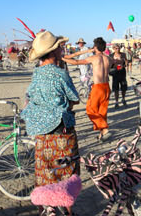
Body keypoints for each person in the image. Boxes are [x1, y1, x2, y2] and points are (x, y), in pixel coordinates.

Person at [21, 31, 81, 189]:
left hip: (41, 131)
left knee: (45, 173)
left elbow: (30, 95)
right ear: (53, 52)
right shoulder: (61, 74)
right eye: (59, 47)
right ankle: (65, 204)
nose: (62, 49)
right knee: (66, 173)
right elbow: (75, 98)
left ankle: (46, 203)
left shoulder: (36, 73)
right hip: (61, 130)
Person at [64, 37, 114, 141]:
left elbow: (76, 62)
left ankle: (105, 130)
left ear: (95, 47)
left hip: (98, 87)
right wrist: (121, 61)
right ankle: (101, 135)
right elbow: (118, 62)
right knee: (102, 111)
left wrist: (63, 59)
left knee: (90, 109)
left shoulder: (94, 58)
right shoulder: (108, 58)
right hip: (106, 86)